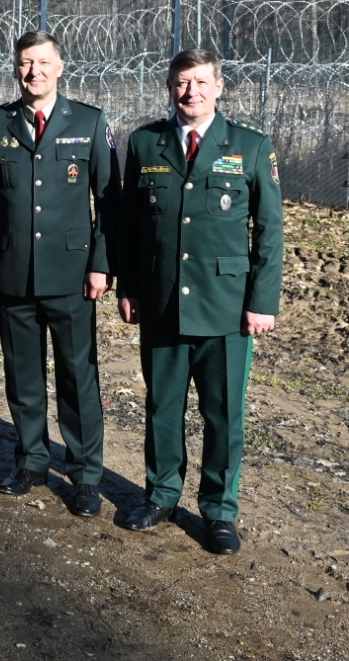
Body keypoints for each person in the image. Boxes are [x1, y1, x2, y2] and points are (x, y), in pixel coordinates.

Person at [116, 48, 283, 555]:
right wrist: (128, 287)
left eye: (201, 82)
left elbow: (269, 231)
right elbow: (129, 226)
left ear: (220, 86)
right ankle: (162, 495)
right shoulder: (146, 144)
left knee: (223, 415)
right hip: (162, 301)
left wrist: (262, 302)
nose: (191, 92)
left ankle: (219, 510)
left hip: (227, 307)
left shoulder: (250, 147)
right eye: (182, 82)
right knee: (162, 408)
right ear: (170, 86)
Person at [0, 31, 119, 516]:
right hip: (12, 274)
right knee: (23, 376)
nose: (35, 72)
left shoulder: (89, 123)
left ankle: (84, 476)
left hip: (72, 277)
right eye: (26, 63)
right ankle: (30, 461)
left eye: (44, 62)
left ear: (61, 66)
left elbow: (109, 203)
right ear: (15, 68)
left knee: (77, 379)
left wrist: (101, 264)